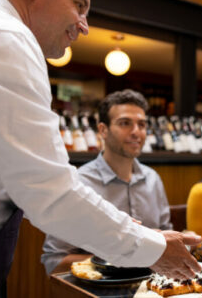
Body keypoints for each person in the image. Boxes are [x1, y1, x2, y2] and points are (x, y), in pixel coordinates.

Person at [0, 0, 199, 295]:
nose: (84, 26)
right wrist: (154, 248)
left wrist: (120, 225)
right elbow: (47, 191)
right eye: (79, 5)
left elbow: (22, 184)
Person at [41, 89, 173, 274]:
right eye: (125, 123)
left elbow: (167, 241)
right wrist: (123, 259)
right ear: (103, 130)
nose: (136, 132)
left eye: (141, 125)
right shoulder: (78, 183)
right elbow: (54, 260)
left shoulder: (153, 179)